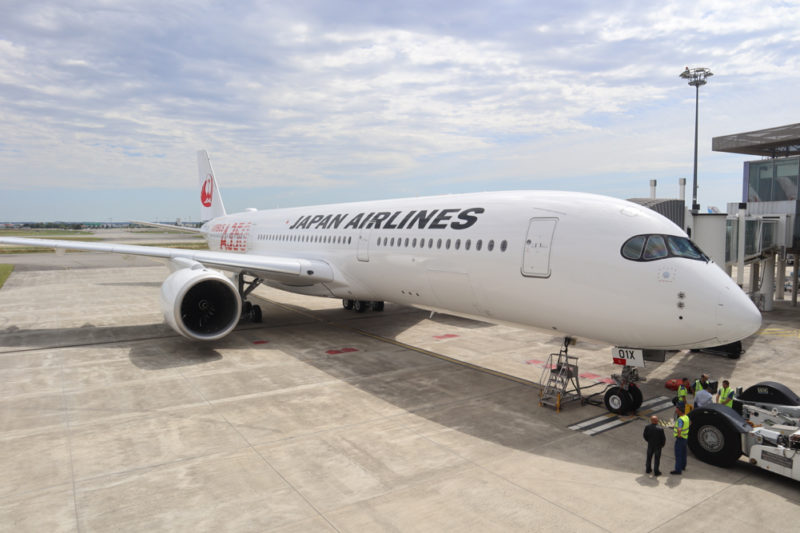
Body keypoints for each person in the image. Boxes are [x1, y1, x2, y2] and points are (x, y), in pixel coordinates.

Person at [671, 403, 690, 475]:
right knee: (684, 453)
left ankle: (678, 470)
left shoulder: (680, 420)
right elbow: (690, 423)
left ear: (680, 411)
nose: (676, 410)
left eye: (677, 409)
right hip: (685, 438)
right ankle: (683, 466)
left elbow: (679, 429)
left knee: (678, 454)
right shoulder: (686, 417)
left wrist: (679, 435)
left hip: (680, 439)